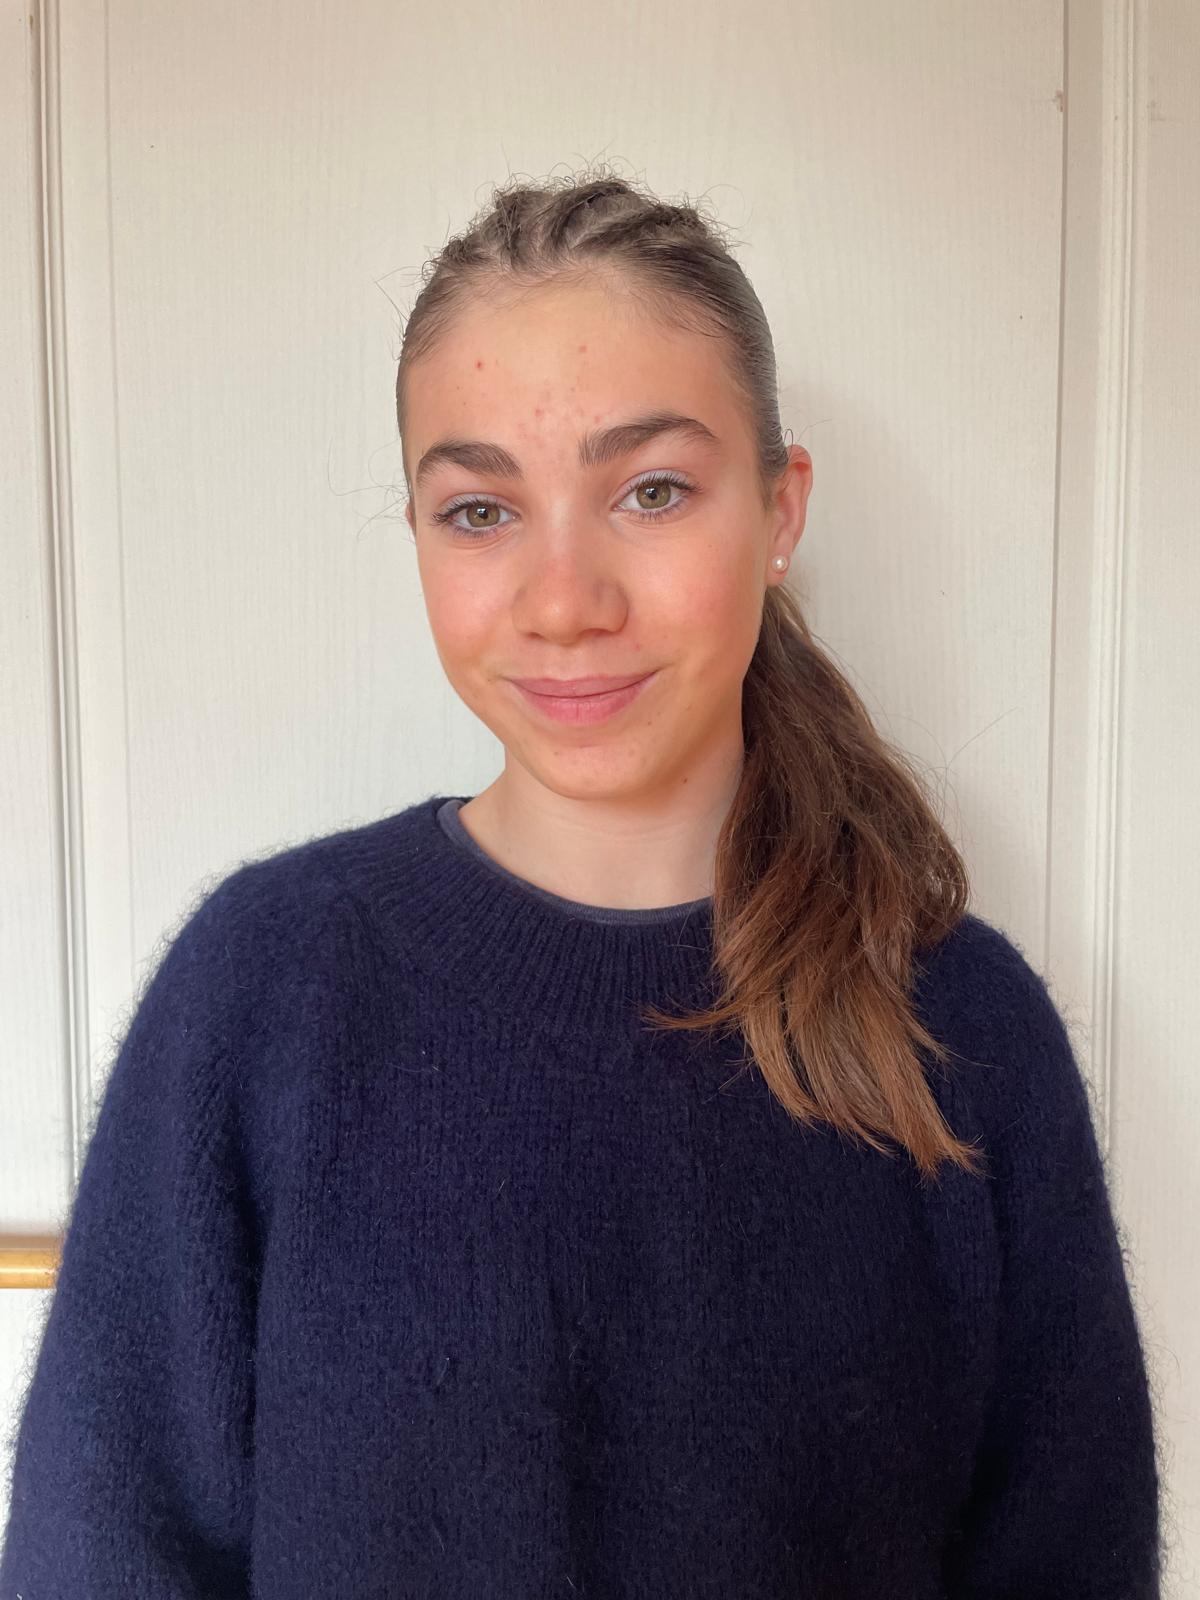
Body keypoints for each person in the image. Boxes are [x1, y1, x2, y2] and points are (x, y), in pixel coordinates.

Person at [0, 168, 1164, 1597]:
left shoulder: (964, 1031)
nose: (565, 602)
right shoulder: (265, 993)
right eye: (480, 511)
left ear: (780, 508)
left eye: (652, 491)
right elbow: (100, 1550)